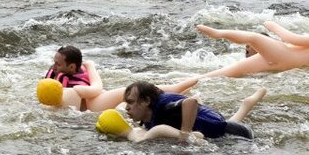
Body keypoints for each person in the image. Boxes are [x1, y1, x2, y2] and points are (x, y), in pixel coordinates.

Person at [195, 21, 309, 79]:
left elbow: (291, 38)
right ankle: (187, 81)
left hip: (282, 55)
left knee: (253, 37)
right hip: (275, 66)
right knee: (228, 72)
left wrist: (274, 26)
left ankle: (218, 33)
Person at [121, 81, 266, 140]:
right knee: (234, 117)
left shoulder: (165, 106)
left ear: (146, 101)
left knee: (230, 123)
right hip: (211, 125)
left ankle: (250, 101)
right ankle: (248, 103)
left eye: (131, 102)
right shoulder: (149, 114)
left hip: (227, 130)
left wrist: (185, 135)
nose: (127, 107)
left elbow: (191, 102)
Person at [36, 64, 199, 113]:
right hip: (97, 105)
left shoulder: (48, 108)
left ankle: (178, 88)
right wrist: (91, 67)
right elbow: (97, 88)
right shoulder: (74, 90)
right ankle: (181, 86)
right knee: (133, 90)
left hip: (92, 111)